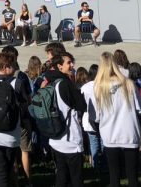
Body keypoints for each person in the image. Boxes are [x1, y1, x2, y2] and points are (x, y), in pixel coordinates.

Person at [89, 51, 141, 187]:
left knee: (114, 176)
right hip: (129, 133)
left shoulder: (97, 88)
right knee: (133, 176)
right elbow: (140, 109)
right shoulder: (129, 84)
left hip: (110, 135)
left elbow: (94, 116)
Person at [0, 50, 27, 187]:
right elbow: (25, 105)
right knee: (4, 169)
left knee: (1, 167)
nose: (15, 68)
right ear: (6, 67)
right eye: (13, 65)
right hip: (11, 133)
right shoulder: (17, 83)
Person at [43, 52, 87, 187]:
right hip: (70, 139)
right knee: (76, 178)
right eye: (69, 63)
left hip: (56, 139)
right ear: (59, 66)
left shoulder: (50, 82)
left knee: (61, 176)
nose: (72, 65)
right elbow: (82, 105)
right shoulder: (66, 84)